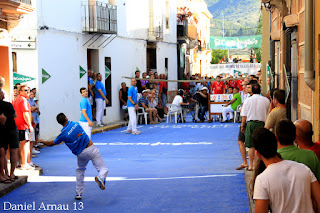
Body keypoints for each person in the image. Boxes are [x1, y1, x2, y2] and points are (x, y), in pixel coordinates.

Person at [39, 113, 108, 200]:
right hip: (91, 148)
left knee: (80, 171)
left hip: (81, 154)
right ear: (66, 117)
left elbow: (52, 143)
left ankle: (79, 193)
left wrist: (43, 141)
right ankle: (100, 177)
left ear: (59, 123)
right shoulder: (76, 124)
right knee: (103, 169)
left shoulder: (63, 135)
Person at [252, 127, 320, 213]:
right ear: (276, 144)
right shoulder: (304, 168)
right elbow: (318, 199)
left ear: (258, 153)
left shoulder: (262, 179)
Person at [240, 83, 270, 171]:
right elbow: (268, 113)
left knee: (251, 146)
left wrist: (242, 125)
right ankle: (261, 164)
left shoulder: (247, 100)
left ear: (252, 91)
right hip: (262, 123)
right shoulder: (266, 100)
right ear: (260, 90)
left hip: (251, 123)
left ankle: (251, 165)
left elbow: (244, 115)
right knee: (261, 145)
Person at [0, 89, 19, 183]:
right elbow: (14, 115)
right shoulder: (7, 105)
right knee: (13, 150)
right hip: (11, 128)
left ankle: (5, 173)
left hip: (2, 130)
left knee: (3, 152)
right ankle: (12, 173)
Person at [13, 85, 34, 170]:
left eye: (28, 90)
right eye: (25, 90)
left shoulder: (17, 99)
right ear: (20, 91)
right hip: (23, 125)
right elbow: (25, 113)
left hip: (17, 125)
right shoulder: (23, 100)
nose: (27, 92)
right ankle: (24, 163)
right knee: (25, 144)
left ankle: (20, 162)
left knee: (20, 144)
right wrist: (30, 125)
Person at [28, 90, 40, 155]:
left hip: (35, 120)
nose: (33, 95)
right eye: (32, 94)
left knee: (35, 135)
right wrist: (35, 108)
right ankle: (31, 151)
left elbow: (37, 109)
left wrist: (35, 108)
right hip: (31, 121)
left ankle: (33, 148)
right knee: (31, 137)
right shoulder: (27, 101)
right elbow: (31, 109)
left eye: (33, 94)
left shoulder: (33, 101)